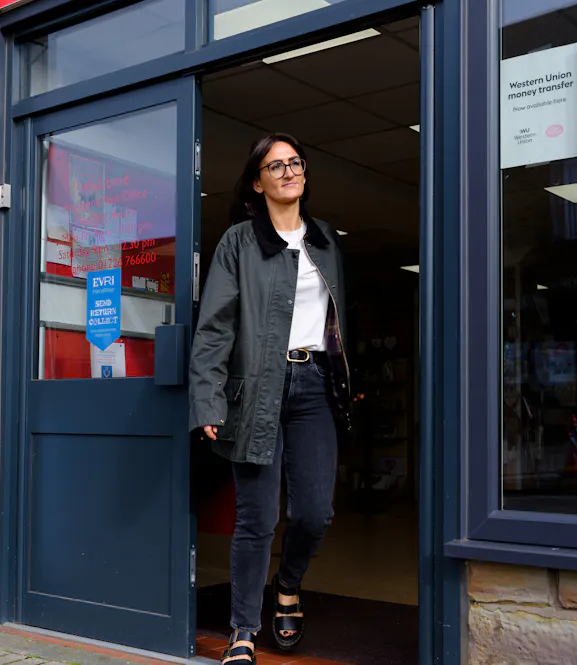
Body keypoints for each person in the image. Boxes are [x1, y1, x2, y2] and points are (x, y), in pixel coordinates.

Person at [189, 133, 350, 664]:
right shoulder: (239, 242)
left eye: (295, 163)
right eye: (275, 166)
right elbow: (214, 326)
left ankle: (289, 584)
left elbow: (340, 321)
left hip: (313, 386)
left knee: (314, 512)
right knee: (256, 517)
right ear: (257, 183)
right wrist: (208, 396)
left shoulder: (326, 238)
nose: (288, 171)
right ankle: (242, 631)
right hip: (255, 389)